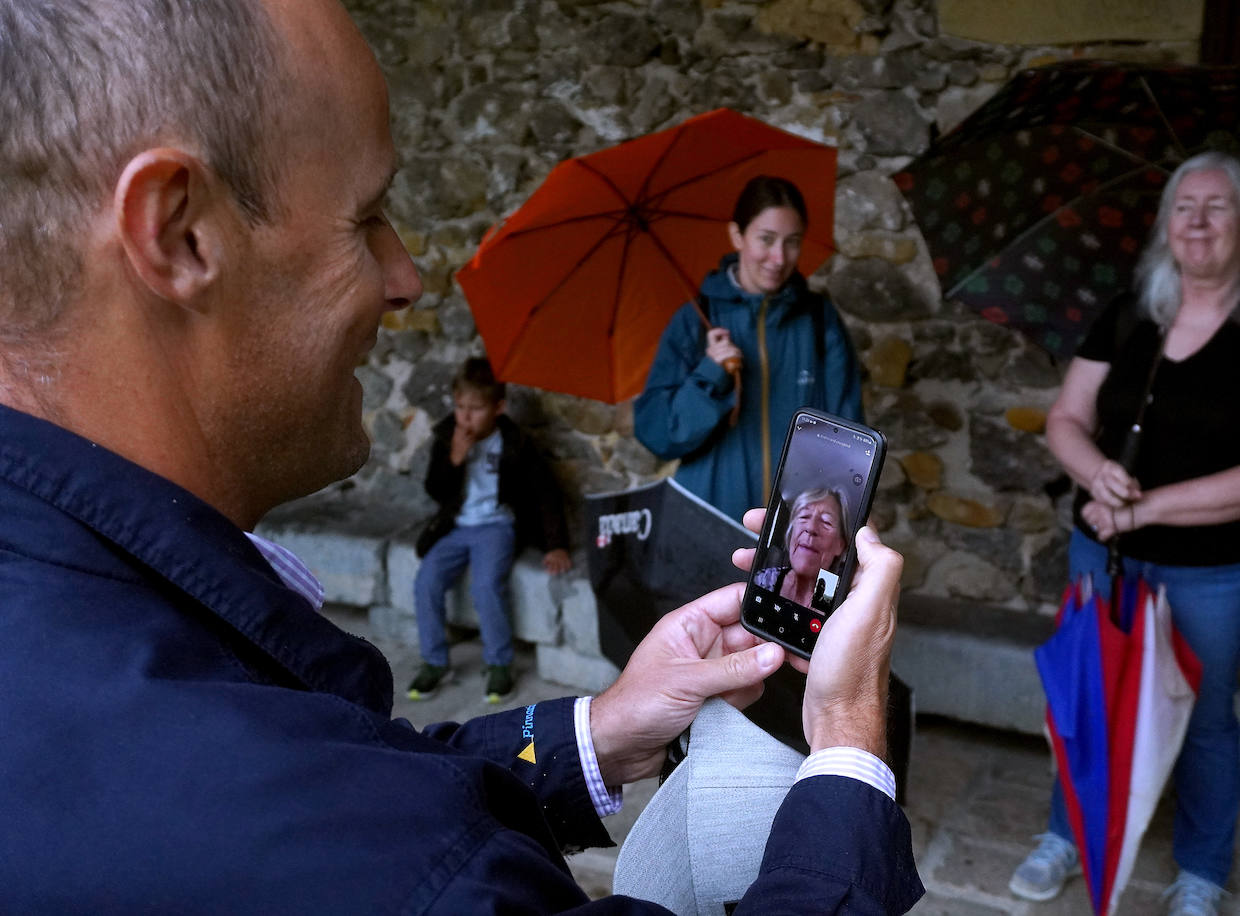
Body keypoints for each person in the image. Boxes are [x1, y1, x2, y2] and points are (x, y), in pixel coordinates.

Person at [0, 1, 923, 911]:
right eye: (366, 219)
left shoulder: (78, 619)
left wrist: (600, 732)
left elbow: (371, 776)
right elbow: (389, 833)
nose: (404, 277)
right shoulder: (340, 846)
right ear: (181, 233)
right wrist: (848, 741)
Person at [1009, 151, 1240, 916]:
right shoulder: (1129, 314)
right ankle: (1068, 835)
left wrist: (1143, 508)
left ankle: (1202, 873)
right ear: (1165, 225)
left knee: (1206, 721)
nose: (1198, 220)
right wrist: (1095, 475)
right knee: (1090, 698)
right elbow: (1066, 420)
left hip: (1213, 572)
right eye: (1185, 206)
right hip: (1107, 557)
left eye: (1218, 207)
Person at [633, 176, 863, 522]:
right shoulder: (696, 319)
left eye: (793, 242)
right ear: (737, 235)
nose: (778, 258)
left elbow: (849, 438)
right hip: (708, 521)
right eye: (766, 239)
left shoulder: (818, 319)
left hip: (795, 531)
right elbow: (658, 434)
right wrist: (709, 374)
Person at [408, 357, 573, 702]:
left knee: (486, 586)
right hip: (455, 527)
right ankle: (435, 662)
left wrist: (555, 545)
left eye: (476, 408)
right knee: (427, 581)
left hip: (496, 526)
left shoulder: (516, 443)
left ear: (498, 407)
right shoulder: (447, 436)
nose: (465, 417)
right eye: (460, 407)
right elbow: (435, 491)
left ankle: (499, 664)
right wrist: (454, 459)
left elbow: (546, 495)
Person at [752, 487, 849, 610]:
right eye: (804, 516)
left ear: (840, 545)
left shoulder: (842, 602)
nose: (811, 527)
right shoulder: (765, 579)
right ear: (791, 532)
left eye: (826, 522)